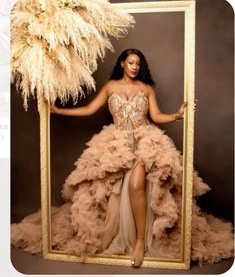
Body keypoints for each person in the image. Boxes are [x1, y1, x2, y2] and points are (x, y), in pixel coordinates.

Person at [12, 49, 233, 268]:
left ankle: (139, 241)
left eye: (138, 63)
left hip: (144, 143)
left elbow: (155, 116)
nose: (135, 67)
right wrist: (59, 111)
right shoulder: (110, 87)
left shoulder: (146, 88)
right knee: (108, 191)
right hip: (116, 145)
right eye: (131, 63)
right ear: (122, 64)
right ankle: (117, 234)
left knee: (136, 185)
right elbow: (90, 109)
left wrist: (177, 115)